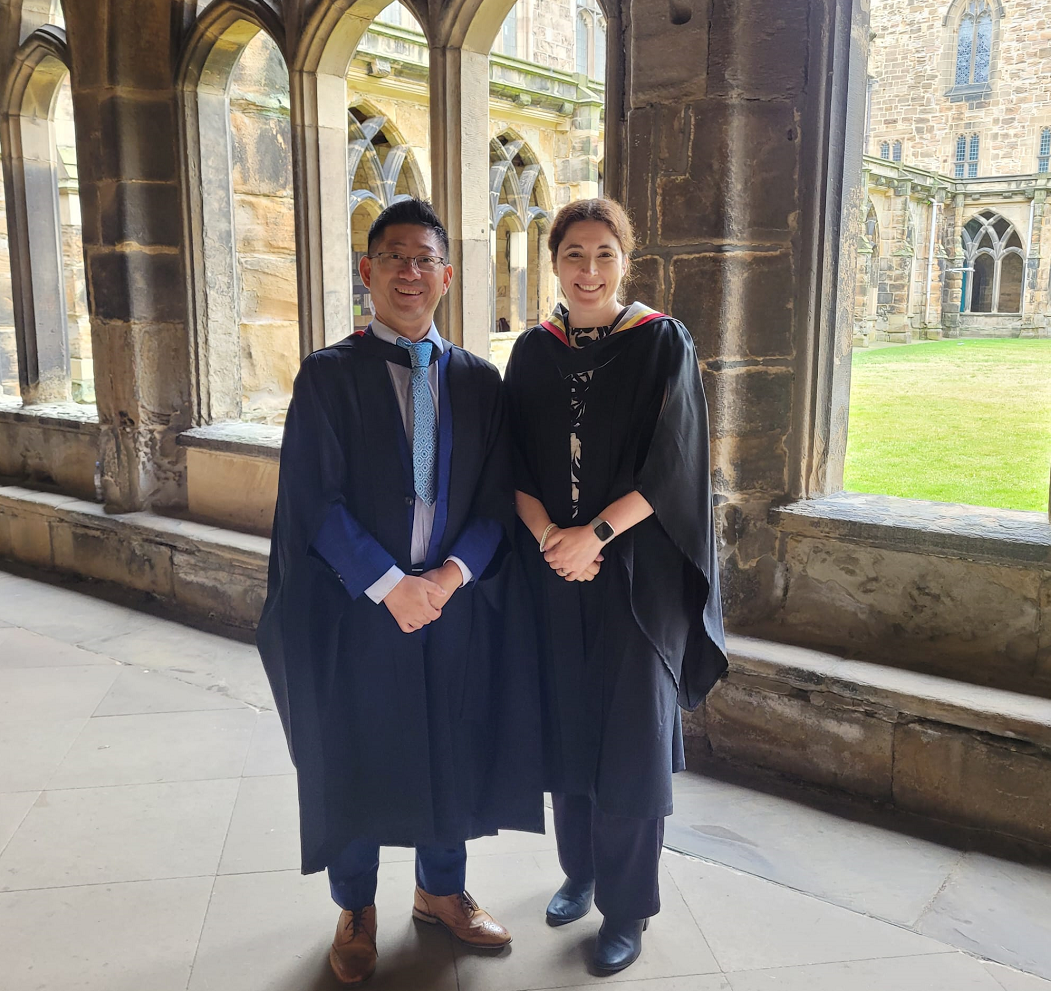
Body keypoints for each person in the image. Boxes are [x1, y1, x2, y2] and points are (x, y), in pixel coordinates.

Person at [257, 198, 544, 987]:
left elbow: (494, 501)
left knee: (447, 747)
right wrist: (389, 585)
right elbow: (314, 501)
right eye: (394, 257)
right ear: (367, 271)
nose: (409, 273)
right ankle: (356, 908)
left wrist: (447, 579)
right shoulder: (327, 375)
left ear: (446, 276)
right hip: (359, 607)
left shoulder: (480, 382)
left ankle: (440, 892)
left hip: (452, 605)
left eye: (424, 259)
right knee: (354, 750)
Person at [503, 198, 727, 975]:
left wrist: (592, 536)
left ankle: (626, 906)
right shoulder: (532, 351)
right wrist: (550, 542)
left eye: (603, 254)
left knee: (628, 739)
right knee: (567, 722)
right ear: (554, 261)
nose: (587, 270)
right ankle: (581, 870)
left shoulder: (661, 341)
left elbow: (675, 462)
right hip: (556, 570)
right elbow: (514, 467)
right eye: (573, 254)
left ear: (624, 260)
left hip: (635, 573)